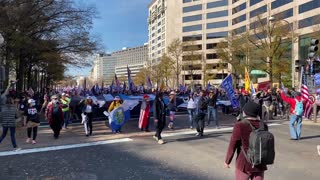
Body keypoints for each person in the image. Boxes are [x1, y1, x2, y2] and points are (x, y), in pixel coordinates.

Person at [225, 101, 267, 180]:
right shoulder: (263, 125)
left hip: (244, 163)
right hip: (260, 162)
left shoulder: (240, 125)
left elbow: (233, 144)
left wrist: (227, 161)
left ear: (246, 112)